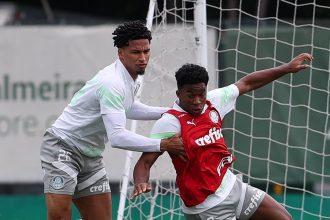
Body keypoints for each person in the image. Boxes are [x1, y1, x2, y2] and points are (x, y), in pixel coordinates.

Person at [132, 53, 313, 220]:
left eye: (201, 94)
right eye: (190, 95)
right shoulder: (170, 123)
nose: (197, 101)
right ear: (178, 93)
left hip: (232, 186)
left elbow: (247, 83)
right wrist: (141, 182)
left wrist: (286, 68)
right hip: (206, 205)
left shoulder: (215, 100)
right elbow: (145, 162)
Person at [40, 20, 186, 220]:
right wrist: (162, 144)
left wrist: (172, 113)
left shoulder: (131, 76)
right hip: (63, 148)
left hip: (90, 156)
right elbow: (117, 137)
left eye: (146, 51)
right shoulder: (112, 83)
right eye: (136, 52)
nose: (143, 58)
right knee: (60, 217)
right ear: (121, 53)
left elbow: (128, 107)